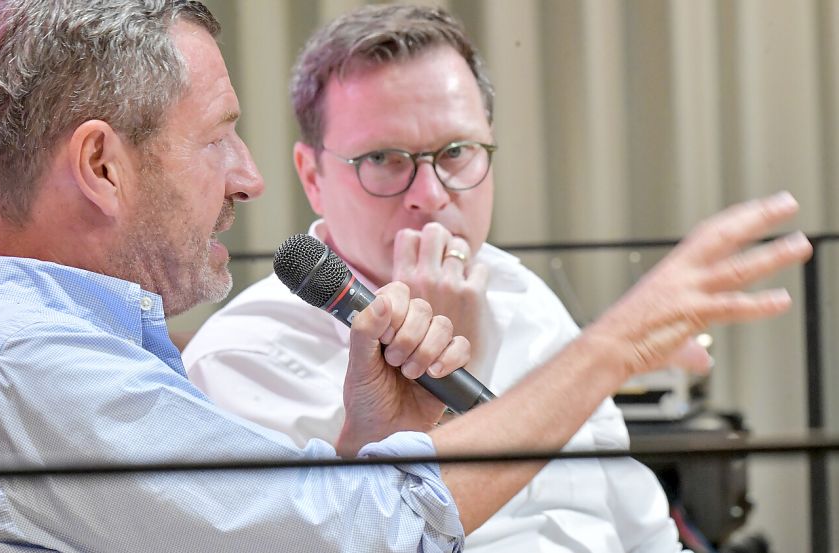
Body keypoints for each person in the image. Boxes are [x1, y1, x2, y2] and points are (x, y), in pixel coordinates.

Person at [0, 1, 810, 552]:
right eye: (218, 136)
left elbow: (301, 528)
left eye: (458, 152)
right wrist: (619, 342)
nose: (244, 177)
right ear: (102, 166)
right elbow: (368, 529)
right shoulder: (36, 375)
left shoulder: (79, 358)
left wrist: (364, 441)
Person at [180, 5, 800, 552]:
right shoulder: (244, 357)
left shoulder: (519, 290)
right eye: (383, 160)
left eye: (456, 153)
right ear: (312, 175)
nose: (429, 194)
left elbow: (638, 525)